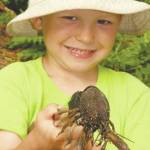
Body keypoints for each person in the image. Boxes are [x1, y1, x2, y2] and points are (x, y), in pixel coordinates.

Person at [0, 0, 150, 149]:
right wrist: (37, 143)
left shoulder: (137, 96)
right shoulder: (11, 82)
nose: (86, 37)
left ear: (119, 22)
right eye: (70, 18)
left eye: (103, 21)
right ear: (38, 20)